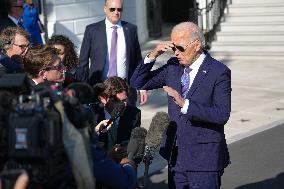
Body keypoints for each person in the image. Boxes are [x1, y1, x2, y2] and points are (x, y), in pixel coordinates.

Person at [130, 22, 231, 189]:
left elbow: (221, 114)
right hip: (176, 157)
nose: (176, 53)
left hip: (204, 161)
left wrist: (186, 104)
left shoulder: (218, 71)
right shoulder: (173, 67)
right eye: (173, 48)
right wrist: (153, 54)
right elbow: (138, 81)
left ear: (197, 45)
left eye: (181, 48)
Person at [75, 0, 147, 106]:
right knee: (103, 121)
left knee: (128, 121)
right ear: (105, 9)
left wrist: (142, 86)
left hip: (125, 88)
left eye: (119, 9)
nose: (116, 12)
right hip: (100, 88)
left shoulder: (131, 29)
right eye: (112, 9)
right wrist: (84, 88)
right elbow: (83, 63)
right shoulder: (92, 30)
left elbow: (137, 60)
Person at [92, 76, 141, 151]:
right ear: (103, 99)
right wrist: (96, 131)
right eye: (118, 102)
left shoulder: (134, 113)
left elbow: (136, 145)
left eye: (125, 100)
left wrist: (126, 150)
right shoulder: (92, 113)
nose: (123, 105)